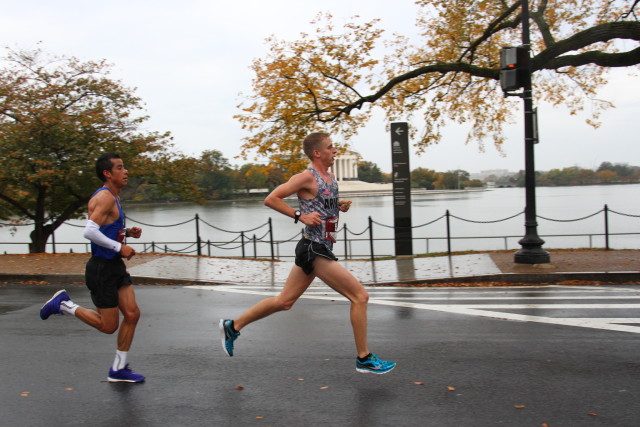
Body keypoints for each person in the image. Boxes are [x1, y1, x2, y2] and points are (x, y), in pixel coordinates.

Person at [219, 132, 395, 374]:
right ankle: (364, 357)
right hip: (315, 249)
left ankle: (233, 326)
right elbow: (271, 199)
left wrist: (338, 206)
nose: (335, 150)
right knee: (359, 297)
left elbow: (323, 205)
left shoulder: (331, 179)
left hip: (319, 245)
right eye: (331, 147)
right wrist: (299, 215)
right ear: (317, 153)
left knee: (284, 302)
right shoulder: (305, 177)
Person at [40, 153, 145, 383]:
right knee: (108, 326)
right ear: (108, 174)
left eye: (124, 167)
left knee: (132, 314)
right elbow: (89, 231)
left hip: (114, 267)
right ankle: (65, 304)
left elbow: (104, 228)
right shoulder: (106, 197)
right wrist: (120, 247)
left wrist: (127, 233)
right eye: (120, 167)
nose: (125, 171)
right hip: (101, 269)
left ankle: (118, 369)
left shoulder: (114, 196)